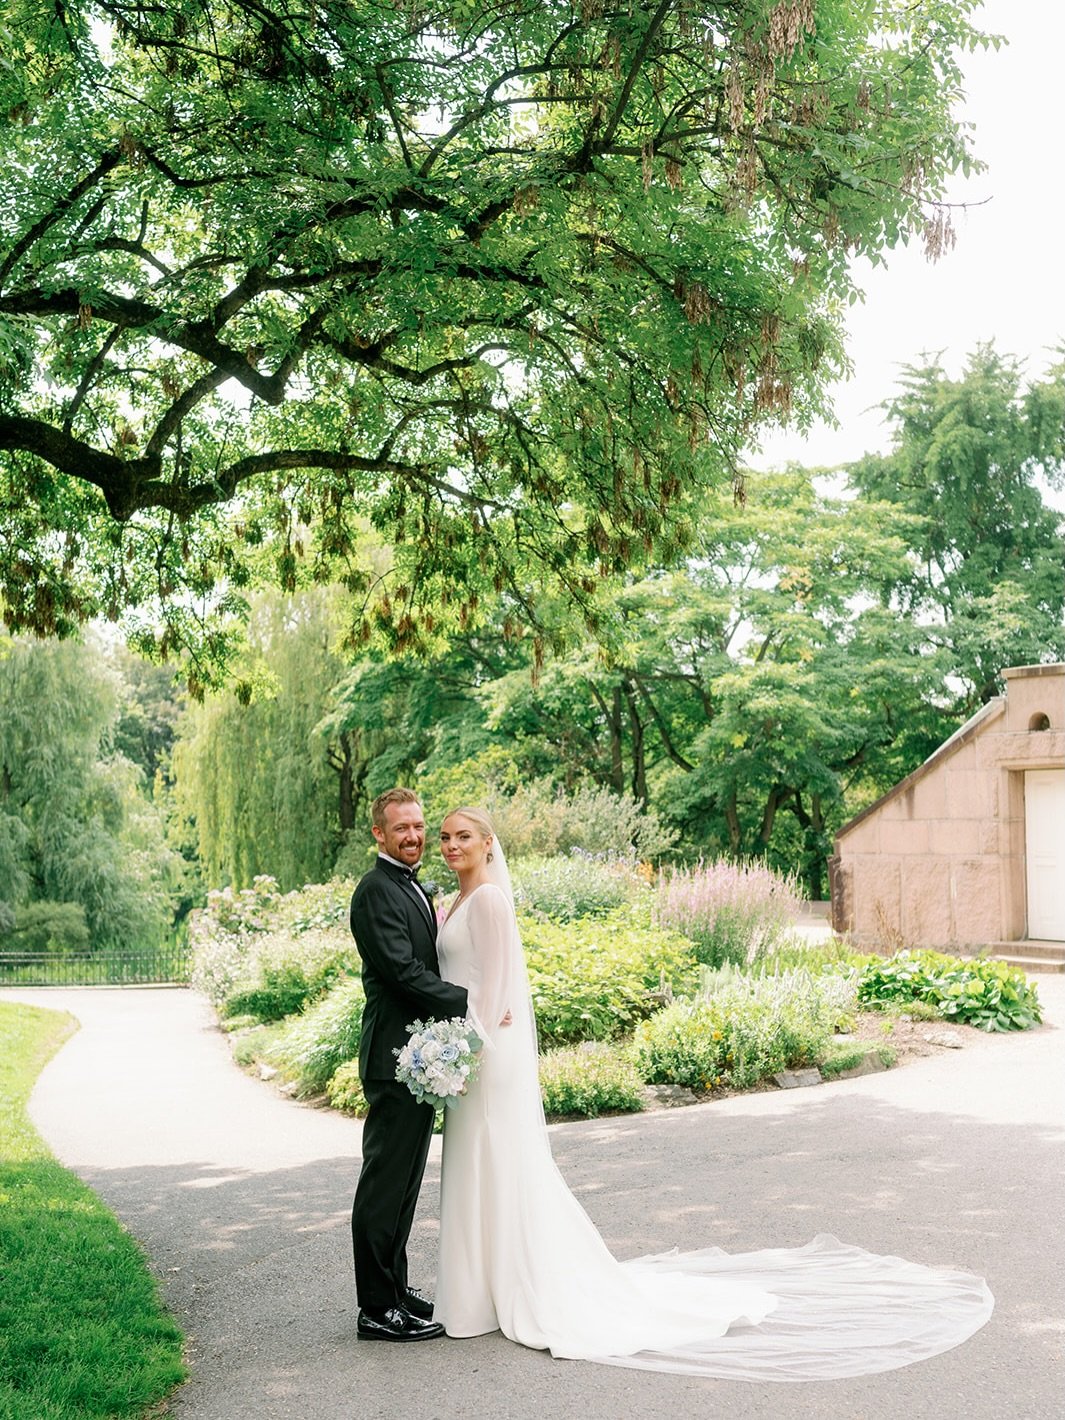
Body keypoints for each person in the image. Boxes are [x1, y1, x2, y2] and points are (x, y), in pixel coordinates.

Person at [432, 806, 995, 1380]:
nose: (452, 845)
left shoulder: (491, 901)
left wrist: (460, 1050)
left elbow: (499, 995)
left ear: (488, 843)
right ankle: (480, 1291)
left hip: (484, 1055)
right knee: (477, 1163)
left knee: (496, 1163)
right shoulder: (453, 899)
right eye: (446, 837)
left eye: (464, 837)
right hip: (466, 1053)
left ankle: (501, 1287)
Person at [348, 787, 470, 1343]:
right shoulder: (375, 890)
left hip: (416, 1059)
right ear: (379, 833)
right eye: (402, 829)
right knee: (384, 1185)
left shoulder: (411, 885)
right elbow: (401, 972)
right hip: (393, 1057)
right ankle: (375, 1309)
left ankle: (396, 1291)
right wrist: (466, 1001)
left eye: (419, 826)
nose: (416, 837)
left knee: (405, 1186)